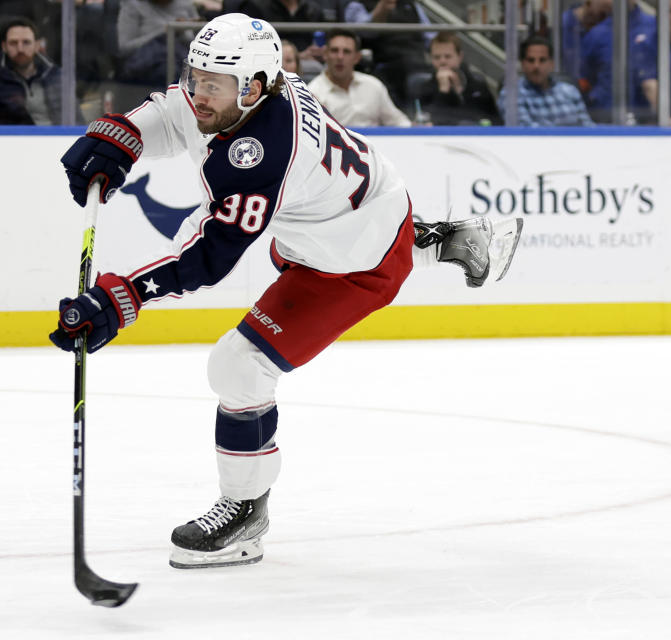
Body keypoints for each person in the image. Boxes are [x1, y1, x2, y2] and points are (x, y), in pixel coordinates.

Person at [52, 13, 523, 569]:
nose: (197, 91)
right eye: (195, 75)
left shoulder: (260, 155)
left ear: (253, 86)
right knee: (299, 239)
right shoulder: (262, 88)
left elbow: (206, 257)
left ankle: (245, 510)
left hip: (351, 266)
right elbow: (180, 111)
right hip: (345, 215)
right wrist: (124, 133)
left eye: (212, 83)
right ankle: (441, 240)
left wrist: (118, 297)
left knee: (239, 366)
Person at [308, 29, 412, 127]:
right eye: (334, 51)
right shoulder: (312, 92)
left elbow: (398, 122)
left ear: (357, 57)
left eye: (347, 52)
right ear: (325, 54)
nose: (340, 57)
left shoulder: (373, 85)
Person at [343, 0, 433, 108]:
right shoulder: (357, 5)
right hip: (381, 65)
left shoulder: (411, 5)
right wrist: (382, 9)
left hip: (416, 63)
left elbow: (430, 36)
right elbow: (364, 32)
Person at [0, 18, 64, 125]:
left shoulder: (55, 75)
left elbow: (75, 120)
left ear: (37, 46)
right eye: (13, 43)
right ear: (4, 46)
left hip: (58, 139)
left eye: (26, 42)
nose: (20, 49)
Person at [578, 0, 656, 123]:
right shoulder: (596, 35)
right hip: (604, 119)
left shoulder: (655, 27)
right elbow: (586, 78)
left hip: (647, 120)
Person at [499, 35, 594, 127]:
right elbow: (525, 133)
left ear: (552, 64)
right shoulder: (512, 95)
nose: (536, 66)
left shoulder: (570, 91)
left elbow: (588, 128)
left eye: (542, 60)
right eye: (531, 60)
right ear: (523, 64)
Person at [417, 31, 501, 126]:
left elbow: (496, 121)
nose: (442, 61)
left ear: (459, 57)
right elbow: (429, 122)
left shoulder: (478, 85)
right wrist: (443, 91)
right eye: (437, 57)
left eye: (448, 56)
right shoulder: (425, 89)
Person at [560, 0, 611, 82]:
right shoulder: (565, 24)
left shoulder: (600, 31)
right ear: (588, 4)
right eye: (598, 14)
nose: (597, 20)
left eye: (603, 17)